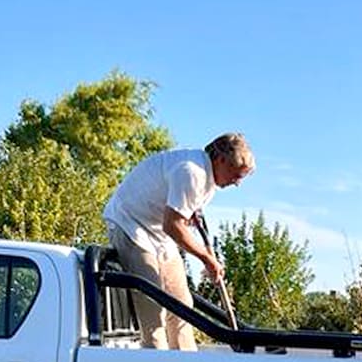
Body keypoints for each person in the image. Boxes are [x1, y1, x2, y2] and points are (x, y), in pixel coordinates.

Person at [103, 133, 255, 350]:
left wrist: (188, 214)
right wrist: (206, 258)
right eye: (236, 175)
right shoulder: (191, 172)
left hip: (159, 234)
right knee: (153, 307)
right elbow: (173, 226)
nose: (237, 183)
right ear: (220, 160)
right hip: (131, 224)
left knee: (182, 307)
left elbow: (177, 216)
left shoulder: (209, 179)